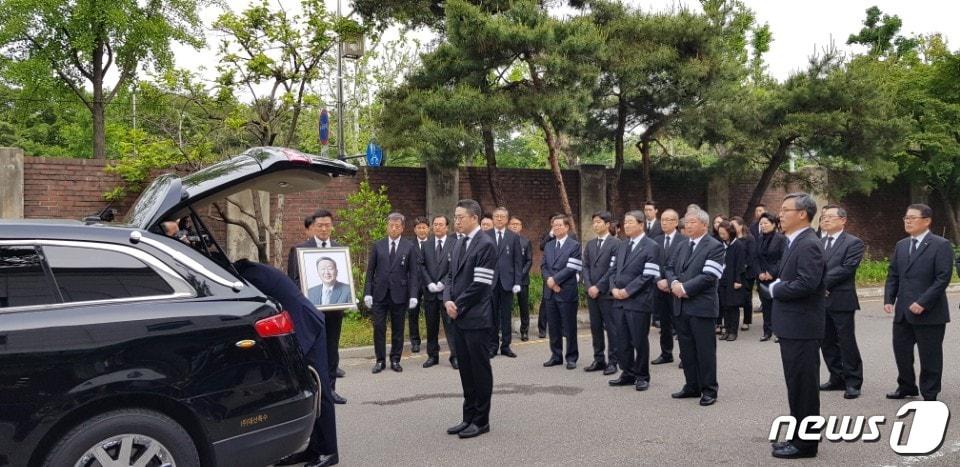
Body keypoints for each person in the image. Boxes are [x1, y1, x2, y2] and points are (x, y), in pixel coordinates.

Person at [235, 260, 338, 467]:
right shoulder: (252, 271)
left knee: (320, 390)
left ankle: (329, 451)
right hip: (300, 324)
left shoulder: (250, 278)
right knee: (310, 388)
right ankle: (314, 449)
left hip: (307, 326)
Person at [767, 192, 826, 459]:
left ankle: (806, 444)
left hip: (802, 327)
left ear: (802, 214)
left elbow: (807, 283)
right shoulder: (794, 241)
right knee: (797, 384)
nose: (780, 214)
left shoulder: (808, 243)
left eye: (785, 209)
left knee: (804, 387)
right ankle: (798, 436)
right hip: (793, 326)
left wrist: (776, 289)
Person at [883, 203, 954, 402]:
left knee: (930, 355)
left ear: (927, 221)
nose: (908, 221)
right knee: (902, 352)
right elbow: (893, 274)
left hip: (930, 312)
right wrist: (889, 298)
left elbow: (943, 278)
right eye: (906, 218)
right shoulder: (902, 245)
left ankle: (930, 393)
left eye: (912, 218)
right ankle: (906, 386)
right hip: (903, 312)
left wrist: (923, 302)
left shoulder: (940, 245)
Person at [444, 199, 497, 439]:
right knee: (465, 370)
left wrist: (459, 305)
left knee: (479, 370)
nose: (456, 221)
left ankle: (481, 421)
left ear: (474, 218)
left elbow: (481, 285)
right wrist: (447, 300)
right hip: (458, 317)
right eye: (455, 217)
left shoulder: (485, 244)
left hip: (476, 318)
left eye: (460, 217)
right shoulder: (458, 242)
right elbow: (449, 277)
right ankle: (468, 417)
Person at [664, 208, 724, 407]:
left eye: (692, 222)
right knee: (687, 350)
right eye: (686, 222)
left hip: (701, 307)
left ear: (704, 225)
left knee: (705, 351)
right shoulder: (682, 245)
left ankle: (709, 389)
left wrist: (684, 288)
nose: (687, 226)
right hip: (681, 306)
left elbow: (709, 276)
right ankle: (692, 385)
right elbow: (669, 267)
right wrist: (674, 283)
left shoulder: (715, 246)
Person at [288, 209, 347, 404]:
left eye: (327, 225)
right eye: (320, 225)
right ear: (313, 227)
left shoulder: (340, 250)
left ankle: (330, 390)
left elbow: (345, 279)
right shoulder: (299, 249)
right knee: (310, 350)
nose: (323, 229)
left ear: (332, 226)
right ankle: (310, 390)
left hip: (334, 312)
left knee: (332, 350)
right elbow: (293, 281)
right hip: (310, 312)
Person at [604, 210, 661, 391]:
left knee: (639, 340)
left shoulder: (651, 246)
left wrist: (627, 291)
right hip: (619, 300)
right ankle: (627, 373)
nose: (626, 225)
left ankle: (642, 375)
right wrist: (614, 288)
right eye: (625, 222)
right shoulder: (622, 245)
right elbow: (613, 270)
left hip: (638, 301)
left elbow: (648, 275)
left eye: (630, 222)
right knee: (622, 340)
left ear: (641, 224)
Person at [817, 205, 865, 400]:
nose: (826, 219)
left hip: (842, 299)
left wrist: (821, 283)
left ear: (843, 220)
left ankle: (853, 381)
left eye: (830, 216)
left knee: (846, 341)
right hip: (821, 301)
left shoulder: (853, 243)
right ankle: (836, 377)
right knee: (826, 341)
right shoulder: (818, 242)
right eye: (824, 217)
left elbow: (847, 268)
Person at [363, 213, 419, 373]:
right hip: (379, 294)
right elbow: (370, 271)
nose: (393, 228)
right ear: (387, 227)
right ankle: (380, 360)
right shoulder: (378, 245)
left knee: (398, 328)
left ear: (402, 228)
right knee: (379, 327)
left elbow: (413, 273)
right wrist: (367, 292)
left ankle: (395, 359)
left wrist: (413, 295)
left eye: (397, 226)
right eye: (391, 226)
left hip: (399, 294)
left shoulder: (409, 247)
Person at [582, 211, 622, 375]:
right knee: (595, 327)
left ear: (607, 224)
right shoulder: (590, 244)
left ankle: (613, 361)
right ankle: (599, 359)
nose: (596, 225)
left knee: (612, 328)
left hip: (606, 293)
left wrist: (598, 286)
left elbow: (613, 268)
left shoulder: (616, 244)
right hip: (592, 293)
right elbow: (585, 266)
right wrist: (589, 286)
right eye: (594, 222)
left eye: (599, 222)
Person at [541, 214, 583, 369]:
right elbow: (544, 266)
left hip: (566, 291)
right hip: (550, 291)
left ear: (567, 227)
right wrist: (550, 282)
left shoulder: (574, 245)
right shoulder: (549, 245)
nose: (556, 227)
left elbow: (572, 267)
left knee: (569, 326)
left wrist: (555, 280)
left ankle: (571, 357)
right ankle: (556, 355)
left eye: (559, 225)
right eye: (554, 225)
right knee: (553, 326)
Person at [420, 215, 459, 369]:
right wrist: (429, 282)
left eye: (440, 224)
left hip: (447, 294)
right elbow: (421, 265)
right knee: (431, 326)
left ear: (447, 227)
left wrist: (443, 283)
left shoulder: (454, 243)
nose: (437, 227)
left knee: (450, 326)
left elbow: (455, 267)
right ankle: (432, 356)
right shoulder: (426, 245)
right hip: (430, 293)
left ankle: (455, 356)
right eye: (435, 224)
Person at [486, 207, 523, 358]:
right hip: (490, 282)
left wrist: (517, 281)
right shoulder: (485, 235)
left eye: (502, 216)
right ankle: (492, 346)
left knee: (506, 315)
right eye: (497, 216)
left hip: (508, 282)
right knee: (492, 315)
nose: (499, 219)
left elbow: (518, 261)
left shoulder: (513, 237)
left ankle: (506, 346)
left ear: (507, 219)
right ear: (493, 219)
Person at [652, 209, 685, 365]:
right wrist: (659, 279)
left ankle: (685, 356)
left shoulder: (683, 240)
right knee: (664, 323)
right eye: (662, 220)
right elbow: (651, 263)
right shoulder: (656, 240)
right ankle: (666, 353)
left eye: (668, 220)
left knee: (680, 324)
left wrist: (670, 281)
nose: (664, 223)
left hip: (676, 287)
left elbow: (683, 265)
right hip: (659, 288)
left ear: (676, 222)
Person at [754, 212, 787, 342]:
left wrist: (771, 273)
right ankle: (767, 331)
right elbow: (755, 258)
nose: (763, 226)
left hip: (776, 277)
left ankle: (779, 332)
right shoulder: (759, 238)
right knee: (766, 306)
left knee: (777, 306)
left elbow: (783, 258)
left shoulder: (781, 239)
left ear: (773, 224)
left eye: (766, 223)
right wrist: (759, 273)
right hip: (762, 277)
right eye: (761, 223)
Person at [716, 221, 747, 341]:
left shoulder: (738, 245)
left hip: (733, 279)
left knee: (733, 306)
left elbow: (740, 264)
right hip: (722, 278)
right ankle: (727, 329)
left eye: (724, 233)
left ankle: (733, 331)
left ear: (730, 232)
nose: (722, 236)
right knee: (724, 306)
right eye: (720, 234)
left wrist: (738, 280)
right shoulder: (722, 245)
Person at [408, 216, 431, 353]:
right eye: (419, 228)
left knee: (431, 314)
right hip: (414, 284)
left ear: (428, 229)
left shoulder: (433, 243)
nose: (422, 230)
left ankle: (432, 341)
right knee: (413, 313)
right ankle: (415, 341)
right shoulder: (409, 245)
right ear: (415, 230)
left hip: (429, 283)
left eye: (424, 227)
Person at [509, 216, 534, 341]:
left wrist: (519, 275)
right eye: (512, 224)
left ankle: (524, 331)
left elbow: (529, 261)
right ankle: (505, 331)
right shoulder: (505, 241)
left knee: (523, 306)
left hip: (522, 280)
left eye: (517, 224)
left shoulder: (526, 241)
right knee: (506, 307)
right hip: (507, 280)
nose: (515, 226)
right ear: (508, 226)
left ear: (521, 227)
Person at [730, 216, 755, 332]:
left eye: (734, 225)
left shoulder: (749, 238)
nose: (732, 228)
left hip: (747, 272)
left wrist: (742, 267)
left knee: (746, 297)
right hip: (734, 272)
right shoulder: (732, 239)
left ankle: (746, 321)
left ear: (741, 226)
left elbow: (751, 256)